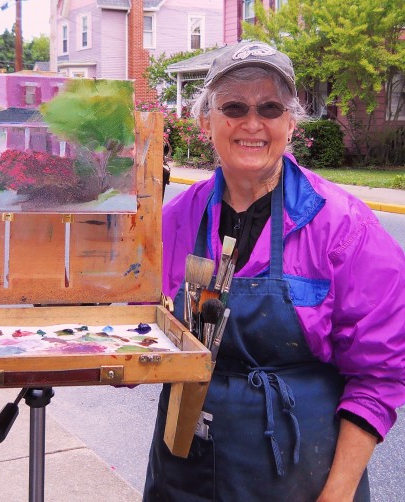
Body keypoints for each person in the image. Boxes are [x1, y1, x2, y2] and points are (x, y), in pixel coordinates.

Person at [143, 40, 405, 501]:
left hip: (302, 477)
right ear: (206, 120)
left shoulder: (344, 226)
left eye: (269, 107)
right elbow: (131, 326)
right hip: (183, 472)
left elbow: (380, 375)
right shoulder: (172, 221)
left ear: (290, 122)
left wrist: (338, 493)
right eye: (234, 106)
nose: (252, 122)